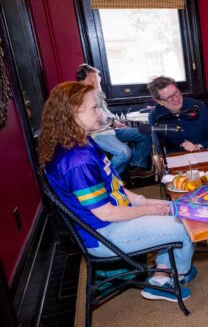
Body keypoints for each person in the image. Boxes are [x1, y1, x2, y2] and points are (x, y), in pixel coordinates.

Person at [38, 82, 197, 302]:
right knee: (186, 226)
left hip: (114, 216)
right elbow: (106, 214)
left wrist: (143, 201)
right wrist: (150, 210)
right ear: (73, 112)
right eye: (94, 108)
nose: (100, 113)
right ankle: (163, 281)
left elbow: (115, 186)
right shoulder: (77, 161)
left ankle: (167, 268)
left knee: (185, 209)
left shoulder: (83, 141)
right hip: (105, 234)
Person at [76, 64, 153, 179]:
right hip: (97, 134)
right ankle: (109, 180)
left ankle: (136, 167)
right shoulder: (81, 95)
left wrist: (115, 122)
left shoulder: (93, 92)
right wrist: (97, 85)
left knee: (146, 133)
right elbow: (98, 117)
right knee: (124, 153)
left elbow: (105, 112)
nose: (99, 79)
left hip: (111, 130)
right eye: (97, 77)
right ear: (90, 77)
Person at [147, 76, 208, 153]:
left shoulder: (197, 106)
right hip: (175, 158)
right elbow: (160, 148)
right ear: (159, 101)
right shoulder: (156, 116)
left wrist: (198, 146)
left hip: (203, 152)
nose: (176, 99)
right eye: (169, 98)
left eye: (176, 93)